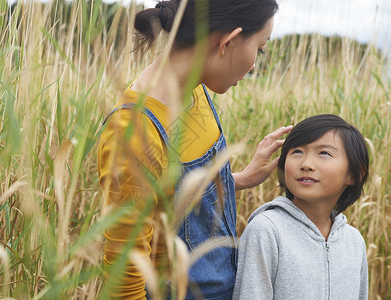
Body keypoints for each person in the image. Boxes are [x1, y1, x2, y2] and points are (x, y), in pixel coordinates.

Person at [98, 0, 291, 298]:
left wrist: (239, 178)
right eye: (260, 48)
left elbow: (175, 194)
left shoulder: (195, 89)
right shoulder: (134, 132)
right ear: (228, 41)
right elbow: (125, 277)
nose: (255, 65)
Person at [232, 114, 369, 300]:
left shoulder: (354, 241)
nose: (306, 164)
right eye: (297, 151)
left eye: (324, 153)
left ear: (353, 175)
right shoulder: (267, 230)